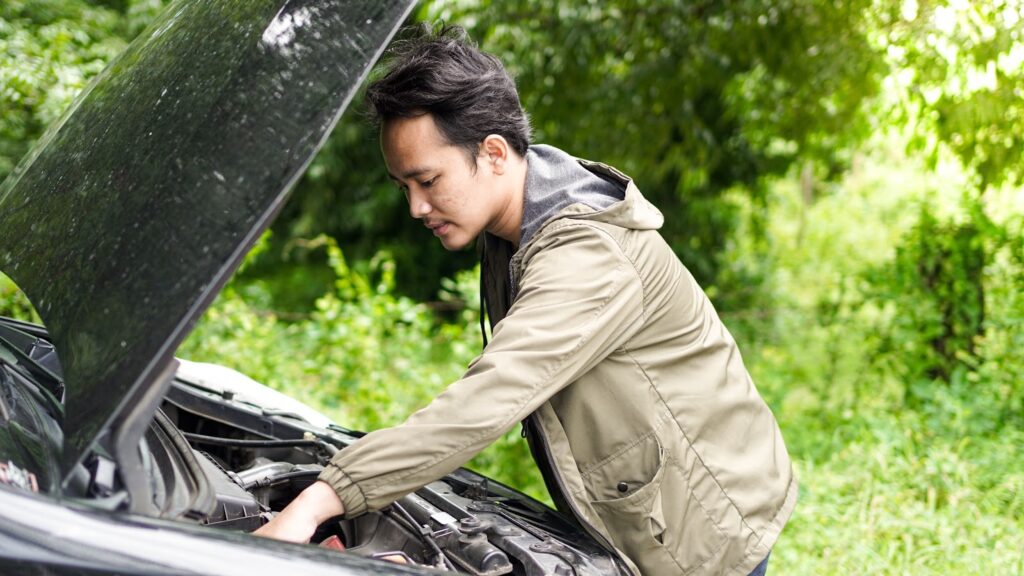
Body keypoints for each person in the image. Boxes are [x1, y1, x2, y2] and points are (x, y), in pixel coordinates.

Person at [255, 24, 796, 576]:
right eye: (404, 188)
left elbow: (489, 397)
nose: (416, 207)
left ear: (493, 153)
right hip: (651, 509)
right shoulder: (516, 227)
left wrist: (319, 501)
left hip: (703, 529)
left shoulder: (588, 255)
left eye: (428, 181)